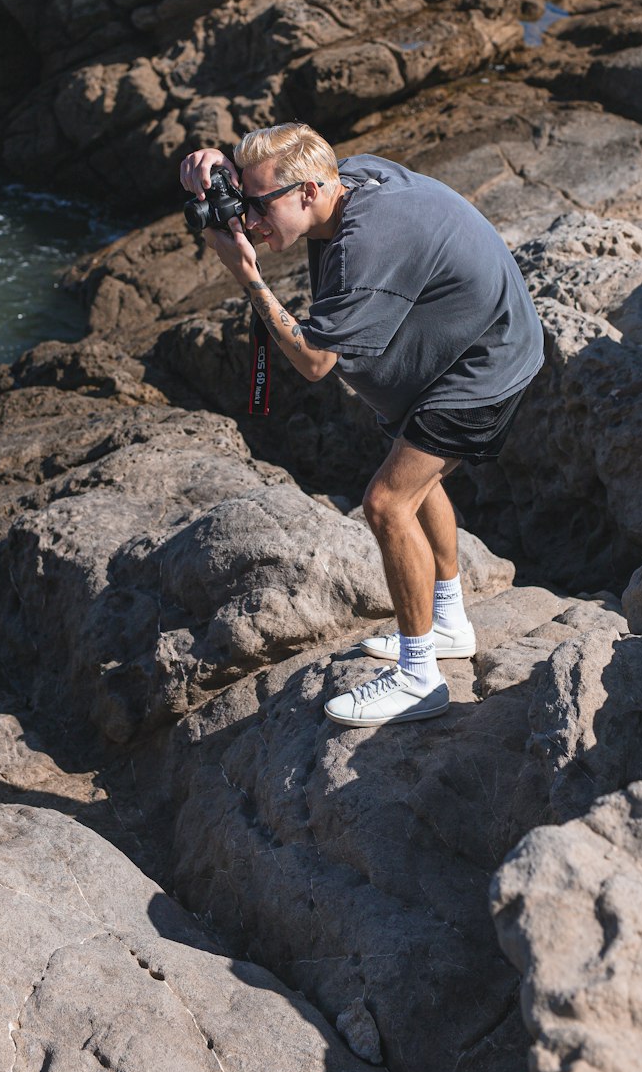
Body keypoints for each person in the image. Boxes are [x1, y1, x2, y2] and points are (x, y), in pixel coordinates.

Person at [180, 123, 543, 728]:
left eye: (258, 206)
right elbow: (280, 158)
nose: (250, 219)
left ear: (308, 192)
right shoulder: (346, 178)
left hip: (484, 367)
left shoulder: (365, 243)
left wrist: (247, 275)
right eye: (240, 202)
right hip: (463, 343)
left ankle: (419, 675)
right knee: (418, 479)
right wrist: (214, 166)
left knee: (386, 503)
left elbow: (314, 361)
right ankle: (449, 620)